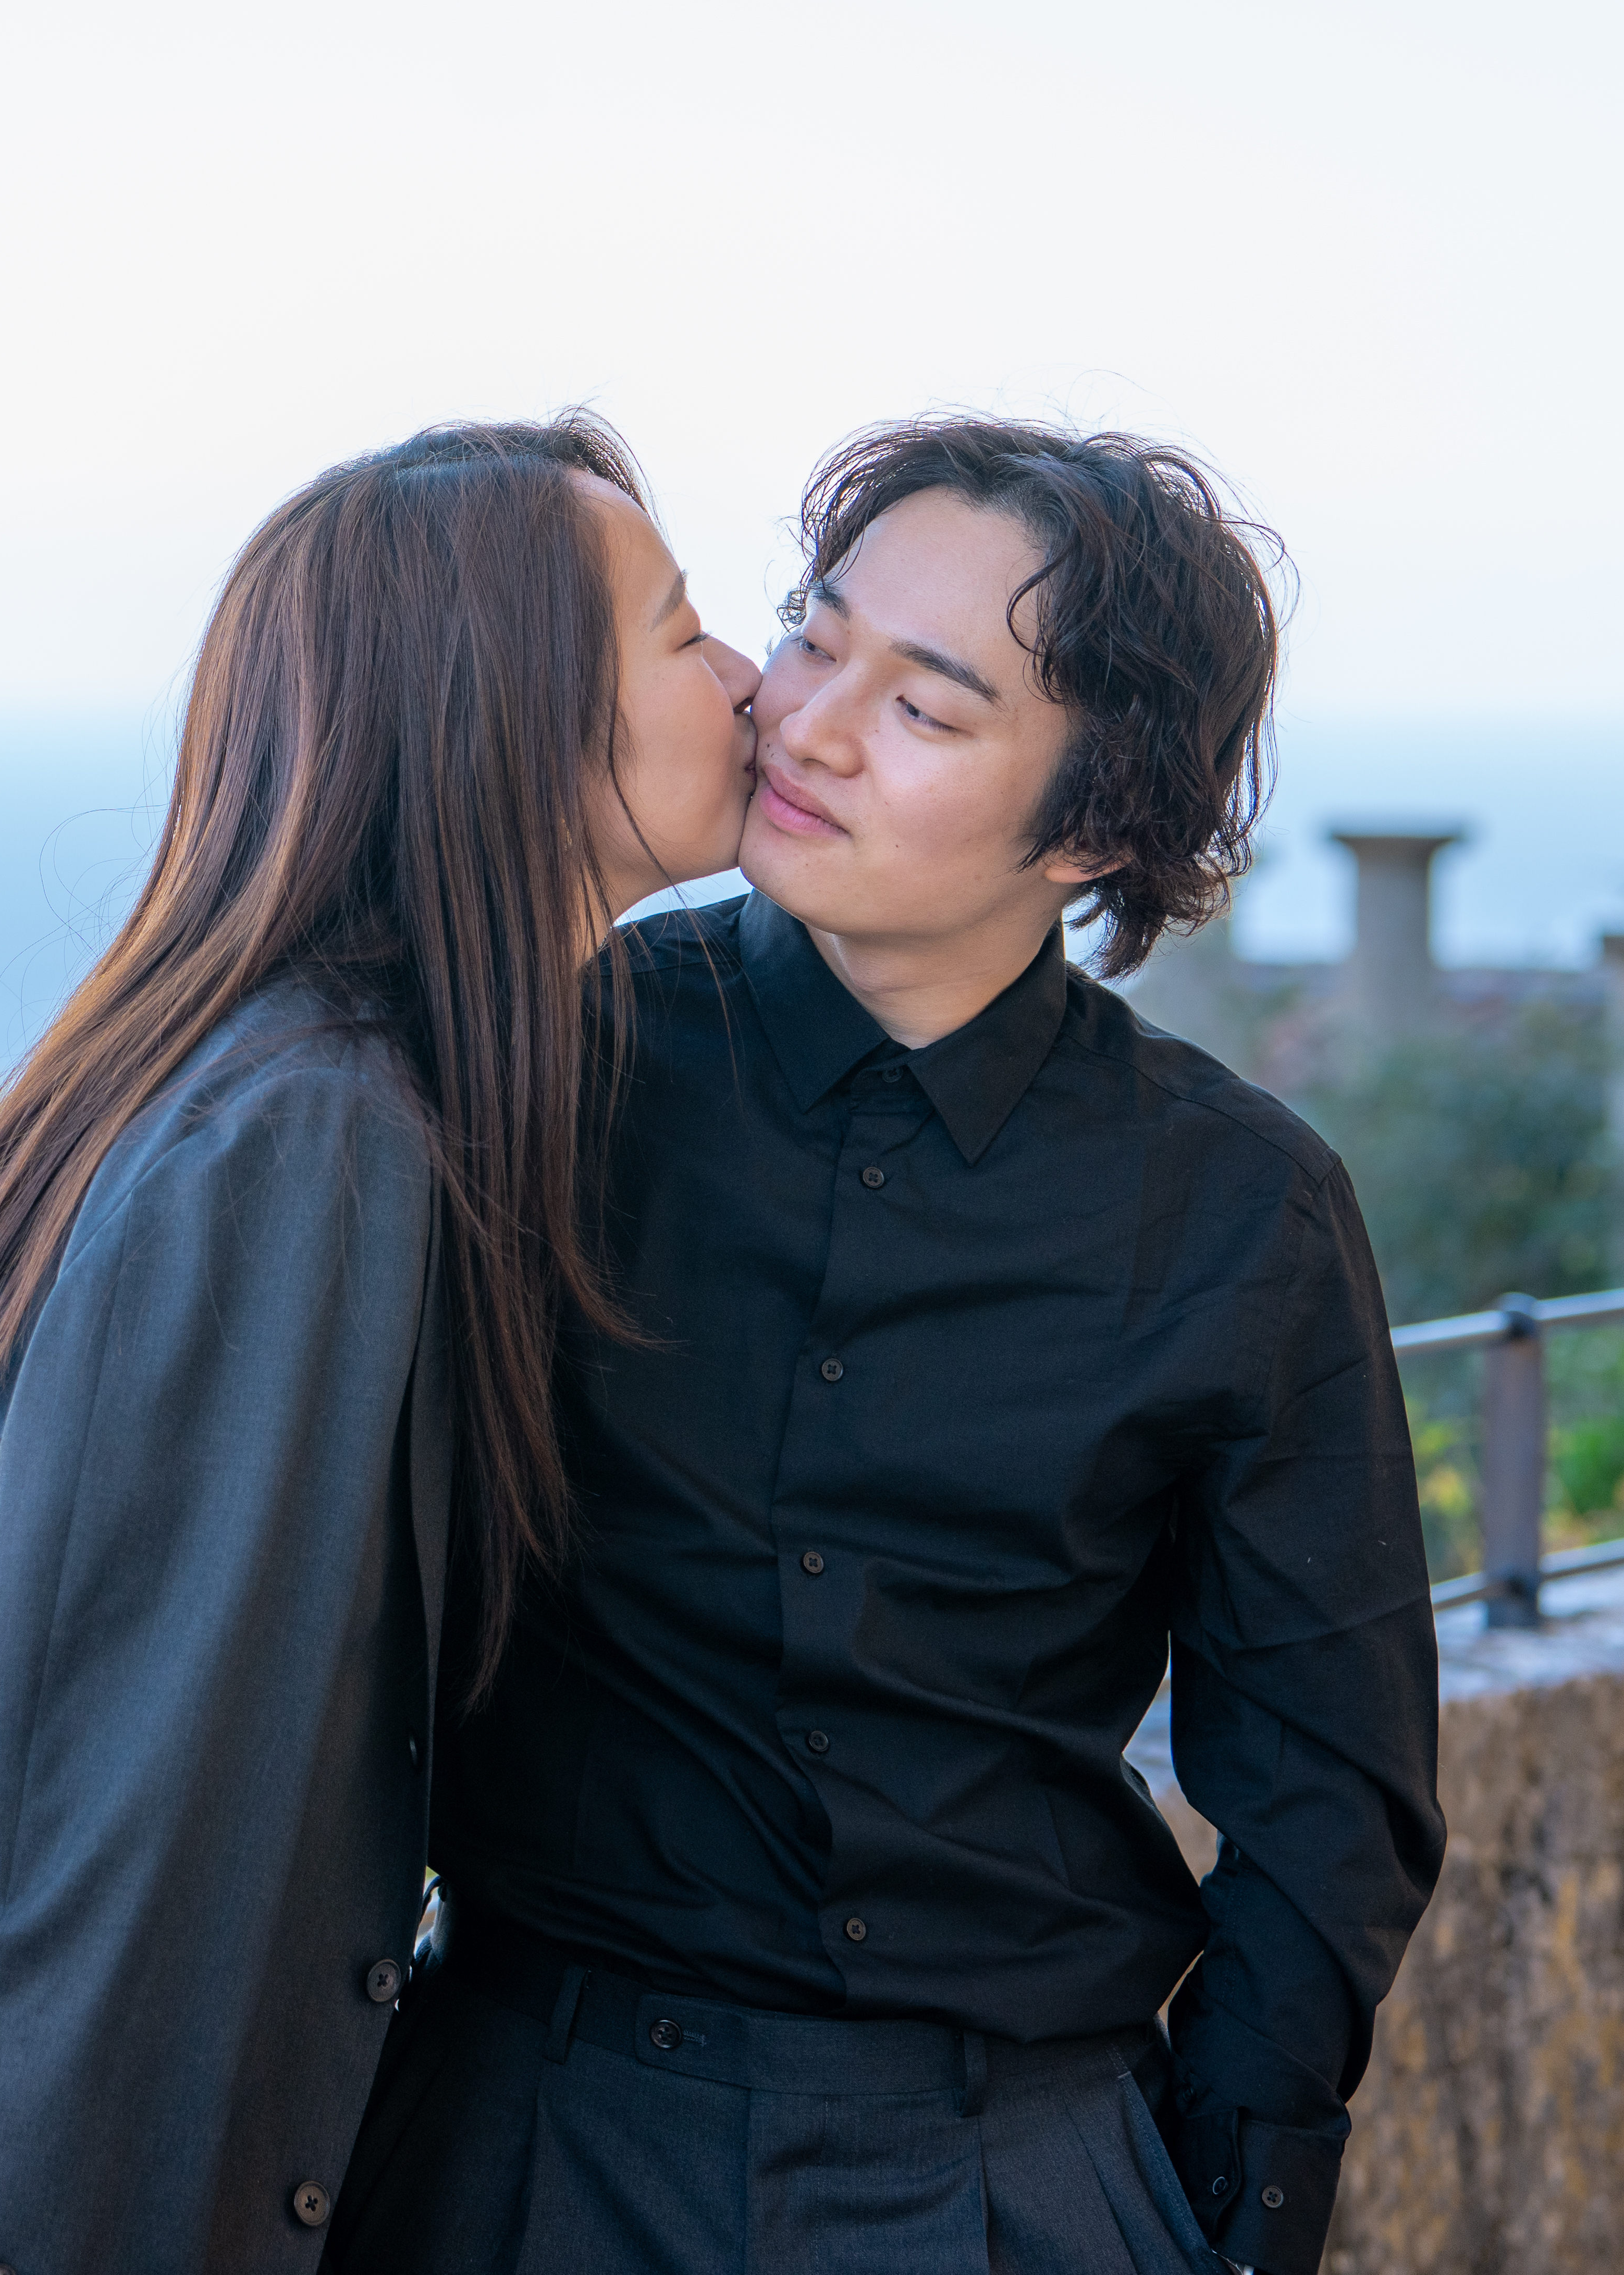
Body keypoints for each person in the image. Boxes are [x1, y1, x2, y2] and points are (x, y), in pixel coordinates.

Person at [337, 417, 1446, 2275]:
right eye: (814, 633)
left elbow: (1334, 1789)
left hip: (1011, 2172)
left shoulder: (1243, 1210)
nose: (810, 723)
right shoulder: (541, 1076)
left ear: (1094, 823)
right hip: (525, 2134)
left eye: (928, 711)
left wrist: (1217, 2221)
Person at [0, 415, 762, 2275]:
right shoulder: (306, 1140)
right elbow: (124, 1854)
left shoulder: (282, 1079)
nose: (748, 678)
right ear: (503, 718)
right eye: (679, 633)